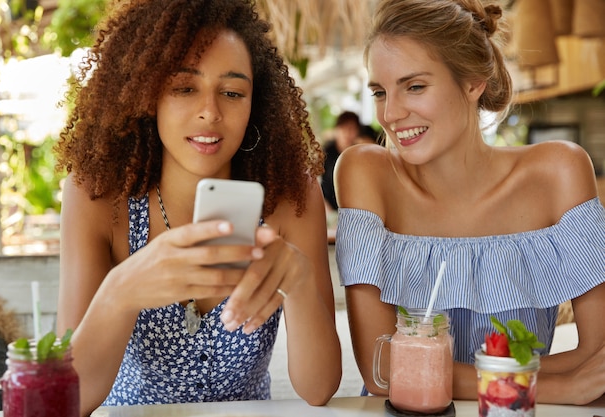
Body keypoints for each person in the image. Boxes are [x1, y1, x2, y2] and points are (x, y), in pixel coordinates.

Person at [53, 0, 342, 414]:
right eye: (184, 88)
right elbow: (69, 399)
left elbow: (318, 390)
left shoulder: (289, 197)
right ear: (146, 94)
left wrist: (298, 283)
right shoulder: (97, 197)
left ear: (254, 105)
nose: (210, 111)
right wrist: (119, 293)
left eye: (232, 92)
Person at [334, 0, 605, 406]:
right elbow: (385, 373)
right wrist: (553, 386)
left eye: (415, 86)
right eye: (379, 91)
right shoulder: (365, 173)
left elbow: (597, 358)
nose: (390, 113)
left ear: (474, 82)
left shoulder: (559, 172)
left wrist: (439, 376)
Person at [320, 111, 360, 212]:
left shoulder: (360, 153)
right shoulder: (326, 152)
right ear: (336, 130)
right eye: (343, 128)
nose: (347, 133)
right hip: (329, 209)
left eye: (351, 129)